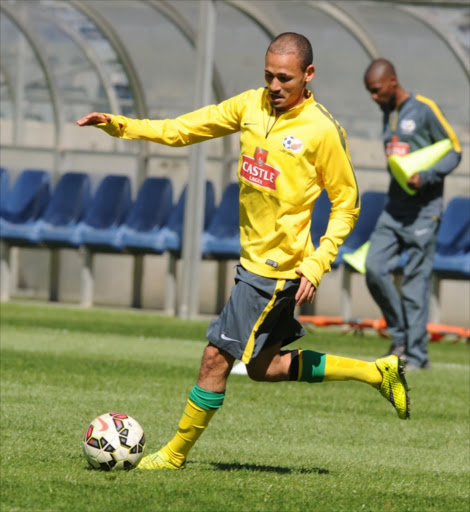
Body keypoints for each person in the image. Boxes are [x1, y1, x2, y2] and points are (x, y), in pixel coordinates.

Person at [77, 33, 410, 471]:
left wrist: (317, 261)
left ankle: (174, 457)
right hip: (252, 264)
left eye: (285, 79)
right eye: (269, 75)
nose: (274, 86)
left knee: (216, 356)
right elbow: (182, 130)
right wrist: (121, 125)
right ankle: (376, 372)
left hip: (277, 272)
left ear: (308, 75)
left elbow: (347, 204)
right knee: (262, 368)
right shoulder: (250, 105)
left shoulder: (322, 130)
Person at [363, 59, 462, 371]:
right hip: (394, 210)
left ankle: (416, 355)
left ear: (393, 81)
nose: (373, 97)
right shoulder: (387, 113)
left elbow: (455, 149)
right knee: (374, 267)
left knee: (415, 284)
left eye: (377, 91)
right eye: (369, 92)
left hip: (423, 212)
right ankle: (401, 333)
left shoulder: (424, 108)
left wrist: (428, 175)